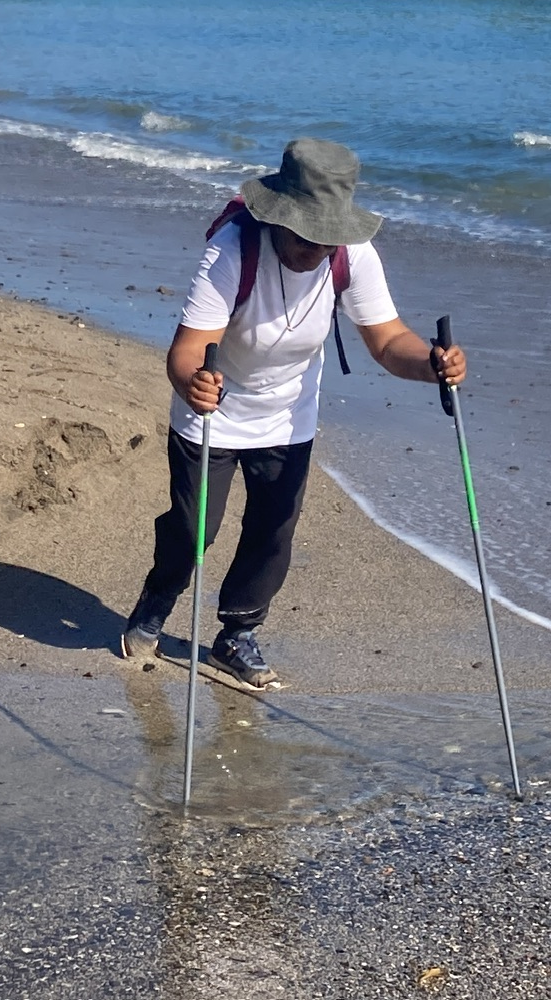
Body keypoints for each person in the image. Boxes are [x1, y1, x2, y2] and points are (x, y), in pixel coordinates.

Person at [119, 138, 466, 689]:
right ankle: (158, 597)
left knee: (273, 531)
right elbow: (187, 349)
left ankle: (238, 633)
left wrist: (431, 364)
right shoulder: (233, 251)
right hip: (211, 410)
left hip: (288, 415)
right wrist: (194, 384)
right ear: (277, 215)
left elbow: (388, 340)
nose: (316, 245)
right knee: (194, 531)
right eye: (305, 231)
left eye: (328, 234)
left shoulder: (352, 257)